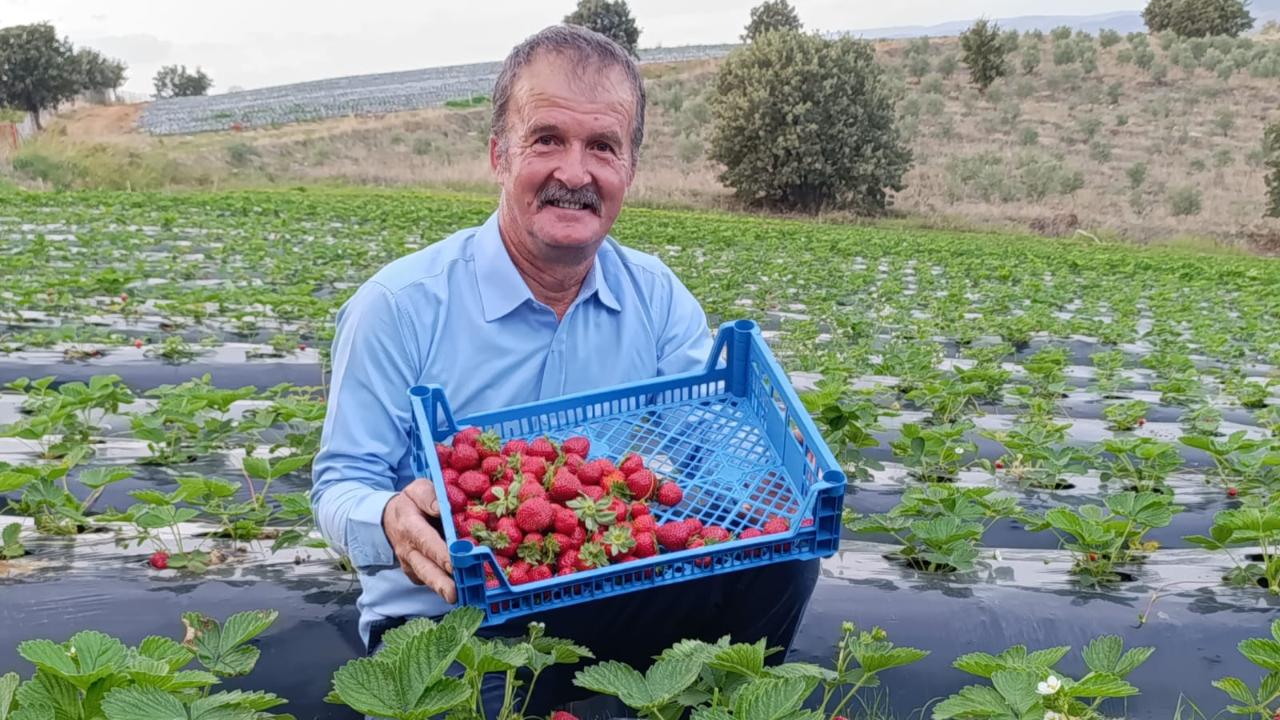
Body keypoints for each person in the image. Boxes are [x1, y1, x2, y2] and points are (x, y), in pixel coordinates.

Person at [311, 23, 819, 714]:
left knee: (786, 555)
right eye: (547, 138)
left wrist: (774, 482)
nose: (574, 173)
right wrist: (392, 519)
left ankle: (727, 702)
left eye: (602, 147)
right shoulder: (399, 307)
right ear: (499, 153)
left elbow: (710, 451)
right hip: (453, 618)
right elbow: (342, 483)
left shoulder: (656, 295)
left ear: (628, 172)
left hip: (605, 578)